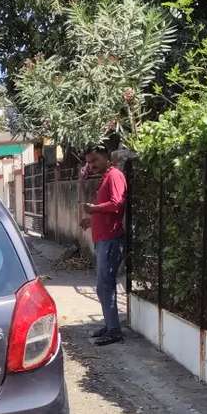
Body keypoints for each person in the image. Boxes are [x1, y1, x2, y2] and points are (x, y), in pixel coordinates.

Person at [79, 145, 127, 346]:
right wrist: (91, 220)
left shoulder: (115, 175)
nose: (91, 165)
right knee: (103, 286)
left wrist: (94, 209)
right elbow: (106, 211)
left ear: (106, 157)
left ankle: (114, 330)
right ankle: (110, 325)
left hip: (111, 239)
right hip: (103, 238)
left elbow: (117, 204)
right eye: (89, 162)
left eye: (94, 160)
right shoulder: (105, 176)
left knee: (105, 285)